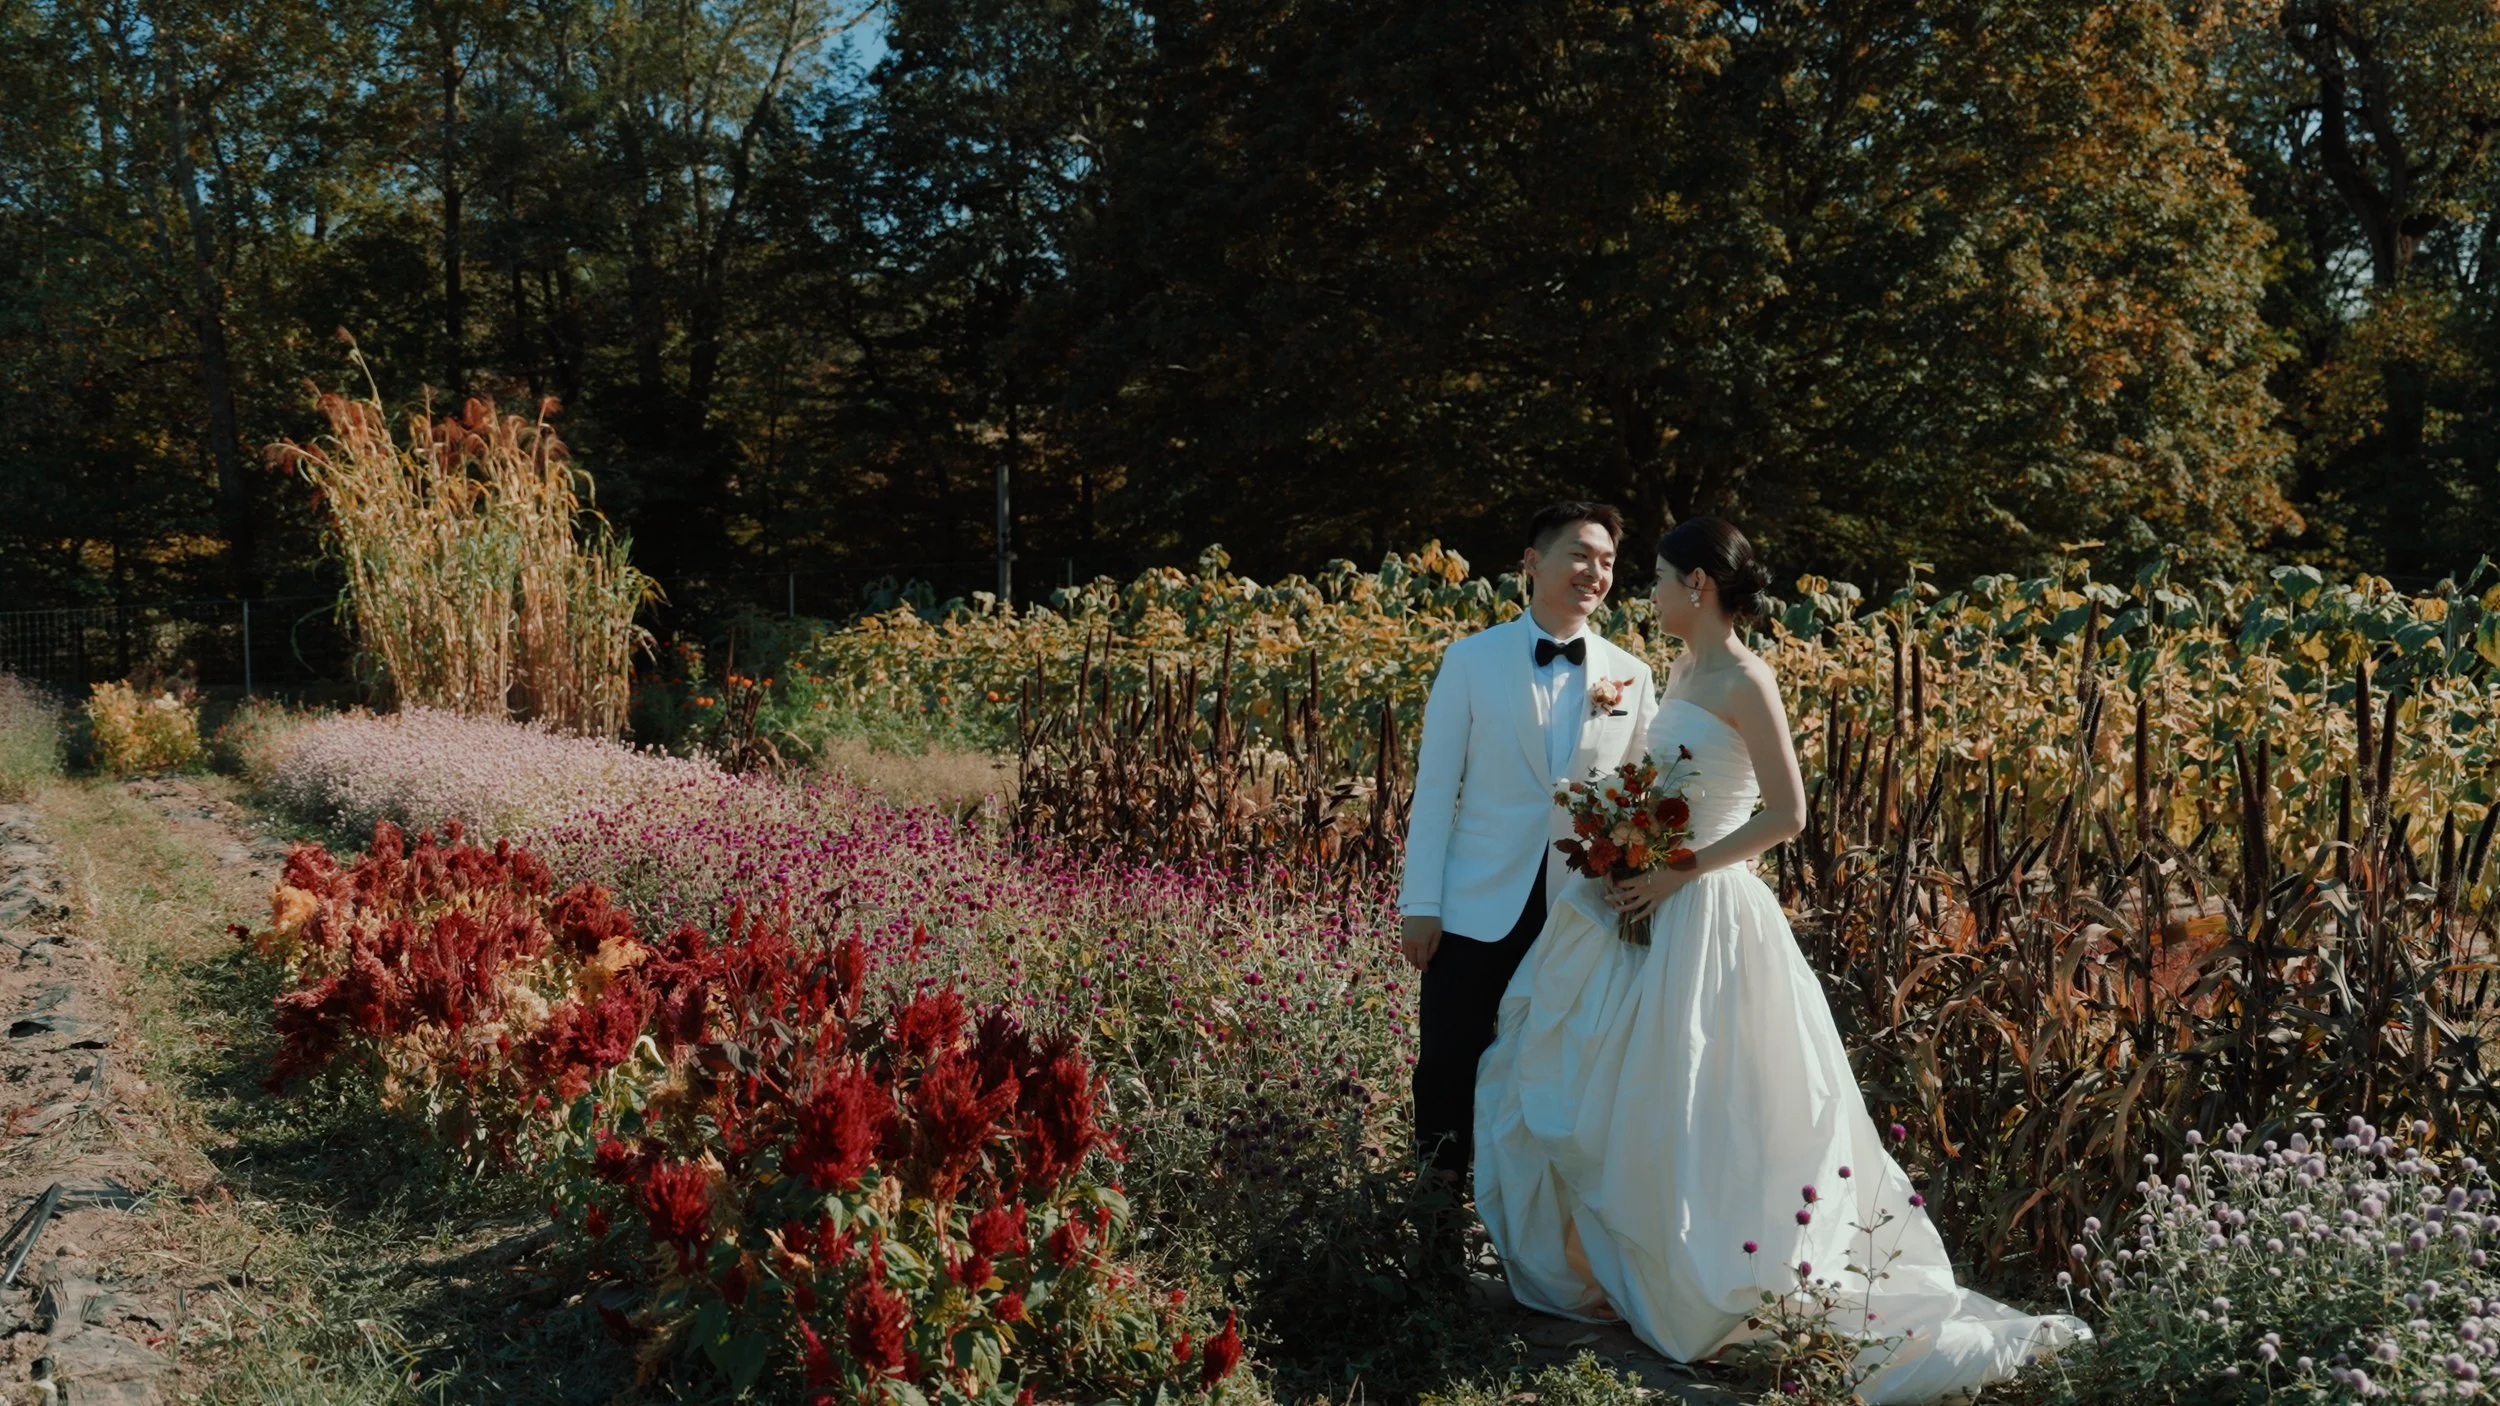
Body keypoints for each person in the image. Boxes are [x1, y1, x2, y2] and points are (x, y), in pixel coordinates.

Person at [1470, 516, 2089, 1403]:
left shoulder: (1747, 679)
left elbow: (1787, 813)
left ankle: (1719, 1275)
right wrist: (1626, 840)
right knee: (1614, 1084)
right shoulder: (1680, 670)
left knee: (1702, 1095)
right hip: (1650, 900)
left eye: (1659, 578)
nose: (1649, 593)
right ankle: (1629, 1267)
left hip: (1709, 911)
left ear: (1698, 586)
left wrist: (1679, 869)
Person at [1400, 502, 1658, 1181]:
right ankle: (1436, 1220)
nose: (1595, 572)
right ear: (1533, 562)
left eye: (1607, 562)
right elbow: (1435, 790)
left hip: (1581, 910)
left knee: (1559, 1072)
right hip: (1474, 906)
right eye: (1580, 555)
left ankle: (1531, 1230)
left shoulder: (1631, 674)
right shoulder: (1470, 660)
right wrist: (1420, 903)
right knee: (1448, 1062)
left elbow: (1644, 793)